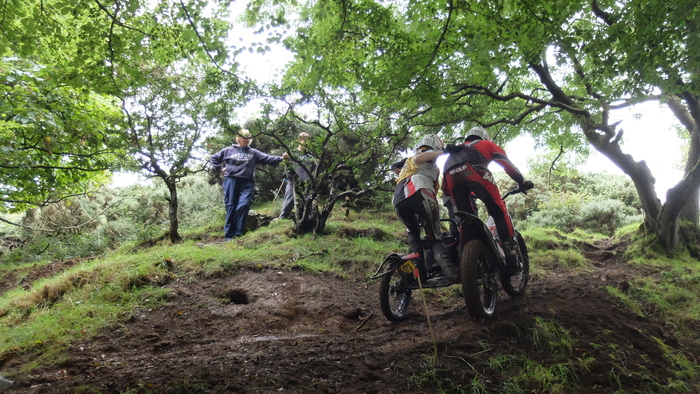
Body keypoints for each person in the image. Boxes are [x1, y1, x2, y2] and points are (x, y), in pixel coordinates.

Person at [442, 126, 529, 274]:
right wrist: (521, 182)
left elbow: (445, 189)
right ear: (483, 136)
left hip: (451, 180)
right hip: (477, 173)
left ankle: (471, 257)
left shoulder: (454, 151)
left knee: (466, 220)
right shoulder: (487, 144)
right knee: (498, 211)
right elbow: (508, 166)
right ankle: (512, 259)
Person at [392, 134, 458, 282]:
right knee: (434, 239)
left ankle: (419, 275)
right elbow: (420, 158)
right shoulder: (419, 159)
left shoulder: (408, 165)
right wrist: (443, 152)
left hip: (398, 201)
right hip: (421, 193)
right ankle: (452, 273)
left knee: (413, 237)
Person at [210, 129, 289, 240]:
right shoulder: (228, 150)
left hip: (247, 182)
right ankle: (229, 236)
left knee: (244, 205)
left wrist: (281, 158)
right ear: (239, 139)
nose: (247, 140)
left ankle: (238, 234)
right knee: (231, 206)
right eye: (244, 137)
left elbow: (268, 159)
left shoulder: (253, 152)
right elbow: (214, 158)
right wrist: (219, 168)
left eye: (249, 138)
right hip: (231, 180)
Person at [279, 132, 316, 220]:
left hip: (307, 185)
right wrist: (292, 179)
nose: (307, 143)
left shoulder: (311, 155)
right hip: (293, 184)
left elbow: (314, 170)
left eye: (309, 141)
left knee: (308, 206)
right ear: (299, 140)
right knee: (288, 204)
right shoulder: (291, 153)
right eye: (305, 140)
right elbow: (287, 169)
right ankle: (280, 222)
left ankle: (307, 226)